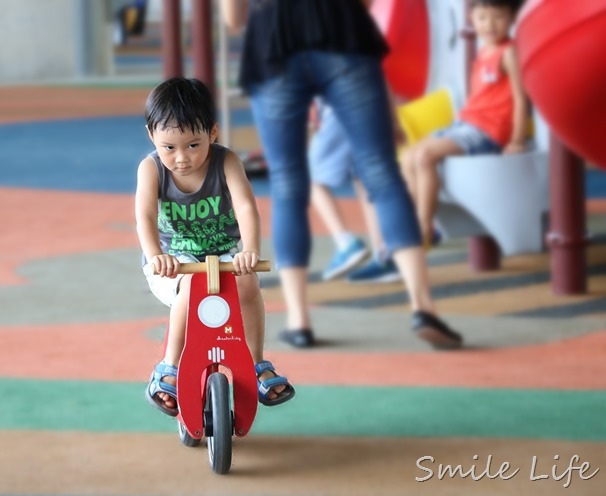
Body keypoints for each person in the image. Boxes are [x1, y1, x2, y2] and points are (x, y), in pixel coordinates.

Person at [221, 0, 462, 350]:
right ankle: (423, 306)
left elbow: (233, 17)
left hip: (273, 39)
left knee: (288, 183)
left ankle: (298, 320)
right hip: (342, 29)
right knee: (382, 171)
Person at [135, 77, 295, 417]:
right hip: (174, 263)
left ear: (213, 132)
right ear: (152, 137)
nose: (181, 158)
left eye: (193, 145)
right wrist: (156, 256)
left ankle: (255, 363)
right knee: (191, 289)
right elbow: (145, 217)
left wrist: (248, 250)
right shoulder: (151, 170)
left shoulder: (227, 162)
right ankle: (169, 368)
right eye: (169, 147)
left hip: (223, 255)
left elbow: (246, 208)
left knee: (248, 284)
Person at [400, 0, 528, 246]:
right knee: (408, 155)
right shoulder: (484, 49)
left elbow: (521, 99)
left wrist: (517, 140)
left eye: (498, 17)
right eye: (482, 18)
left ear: (512, 18)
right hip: (466, 124)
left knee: (424, 156)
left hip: (486, 131)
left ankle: (423, 227)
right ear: (471, 18)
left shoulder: (509, 52)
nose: (489, 24)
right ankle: (422, 221)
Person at [308, 100, 400, 283]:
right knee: (363, 178)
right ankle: (384, 256)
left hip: (335, 108)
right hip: (367, 103)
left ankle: (345, 243)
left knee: (308, 178)